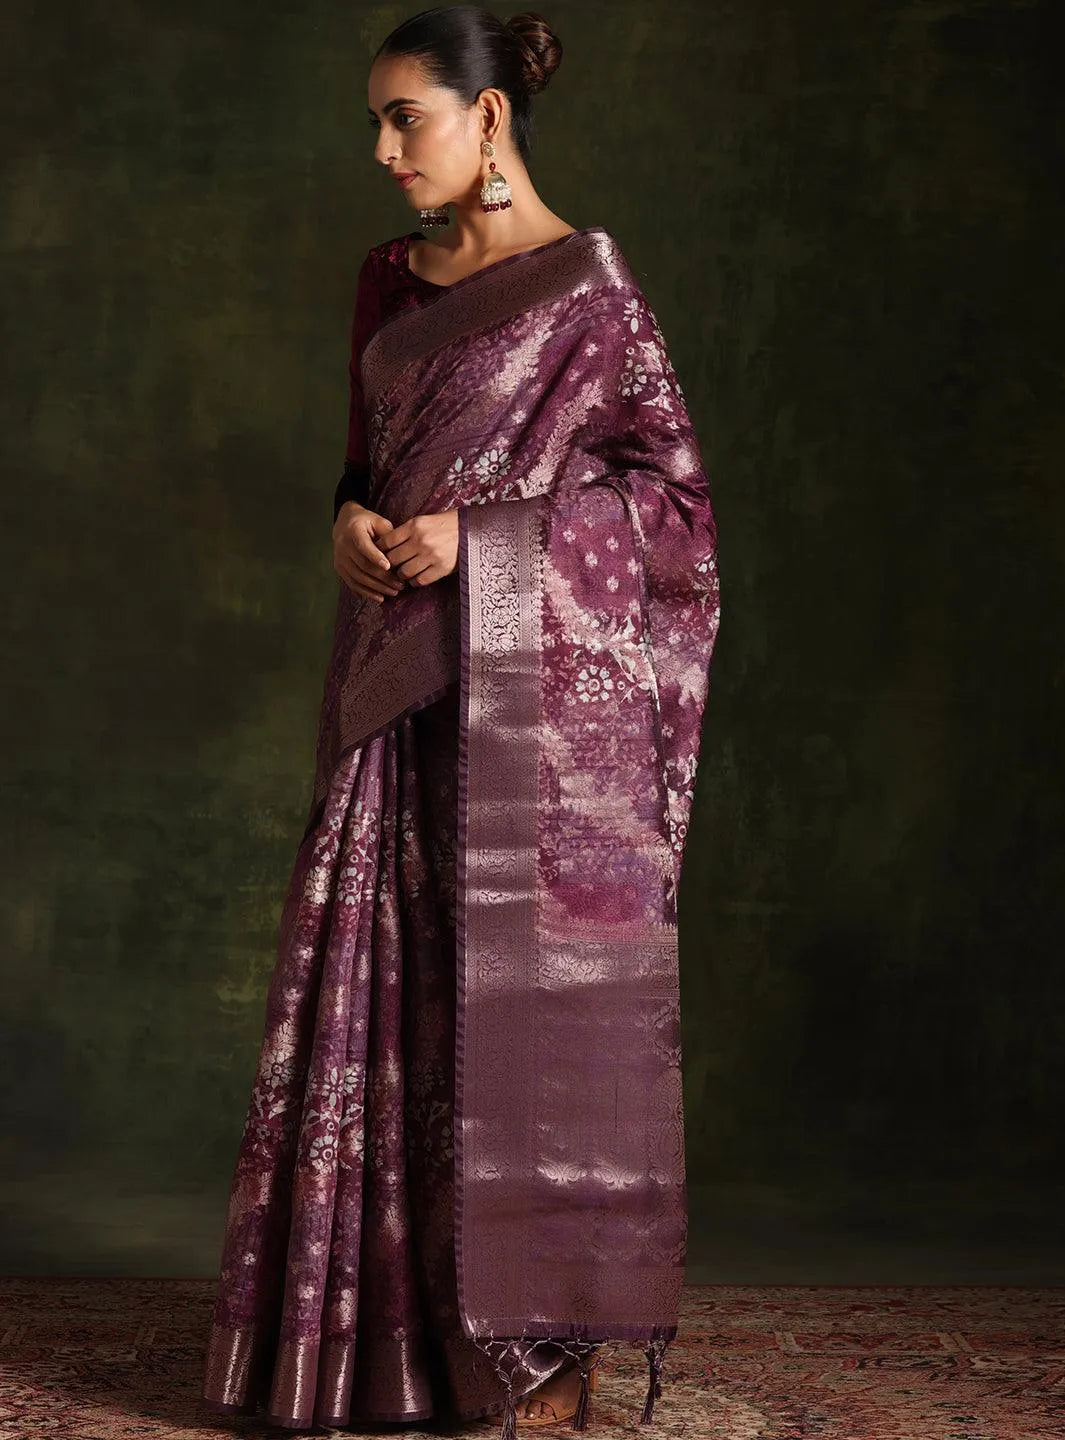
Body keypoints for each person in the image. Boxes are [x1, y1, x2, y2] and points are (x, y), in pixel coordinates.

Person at [201, 6, 721, 1436]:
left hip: (527, 716)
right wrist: (348, 527)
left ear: (487, 119)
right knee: (392, 992)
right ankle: (377, 1342)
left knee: (519, 1014)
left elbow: (673, 514)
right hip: (389, 687)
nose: (382, 151)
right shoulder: (388, 281)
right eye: (374, 121)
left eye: (404, 118)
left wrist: (485, 542)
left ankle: (540, 1350)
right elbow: (362, 466)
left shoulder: (590, 295)